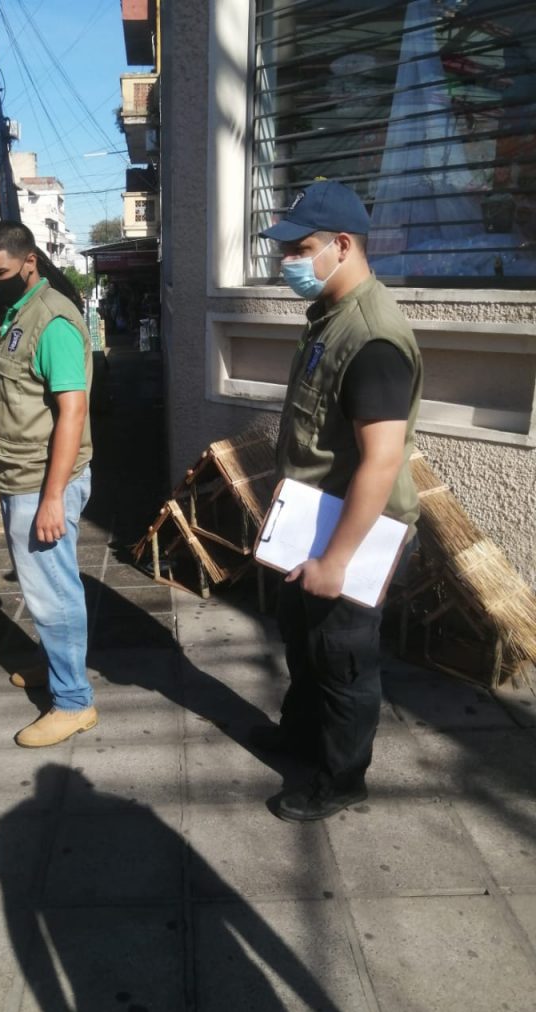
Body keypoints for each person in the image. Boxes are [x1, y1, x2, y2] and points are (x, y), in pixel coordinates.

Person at [254, 180, 423, 822]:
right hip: (312, 520)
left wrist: (336, 561)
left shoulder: (372, 338)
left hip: (353, 534)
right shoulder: (330, 315)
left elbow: (382, 460)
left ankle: (342, 778)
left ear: (343, 245)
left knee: (343, 662)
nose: (288, 261)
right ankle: (303, 737)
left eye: (300, 249)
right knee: (305, 645)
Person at [0, 221, 97, 747]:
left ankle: (73, 702)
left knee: (53, 594)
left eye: (1, 273)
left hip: (42, 483)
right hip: (20, 477)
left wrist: (52, 499)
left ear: (30, 262)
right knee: (40, 588)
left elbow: (73, 412)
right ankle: (56, 668)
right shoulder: (18, 313)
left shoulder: (52, 322)